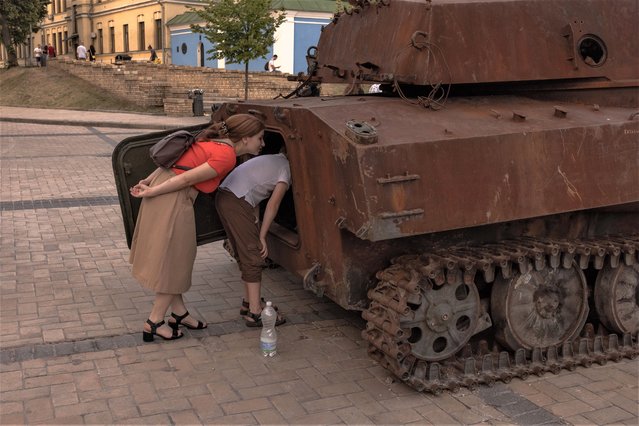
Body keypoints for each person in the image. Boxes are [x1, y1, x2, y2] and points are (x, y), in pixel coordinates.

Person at [129, 114, 266, 342]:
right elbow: (184, 180)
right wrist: (151, 190)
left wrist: (149, 181)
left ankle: (179, 314)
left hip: (163, 190)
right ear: (245, 138)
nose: (262, 144)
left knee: (175, 259)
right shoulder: (226, 155)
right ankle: (154, 322)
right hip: (171, 198)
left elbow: (173, 162)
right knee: (175, 262)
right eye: (260, 138)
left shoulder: (215, 142)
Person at [215, 152, 290, 327]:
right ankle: (255, 312)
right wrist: (262, 236)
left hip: (225, 197)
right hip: (236, 201)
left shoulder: (273, 160)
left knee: (244, 253)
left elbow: (256, 193)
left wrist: (255, 226)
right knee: (253, 256)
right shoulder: (285, 170)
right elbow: (273, 204)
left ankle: (248, 303)